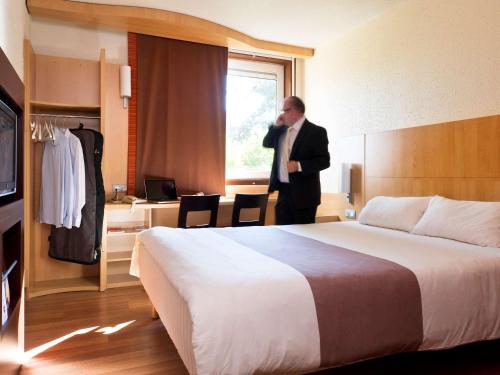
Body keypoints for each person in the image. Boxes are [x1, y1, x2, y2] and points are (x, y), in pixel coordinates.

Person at [263, 96, 330, 225]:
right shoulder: (281, 130)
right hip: (283, 193)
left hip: (304, 196)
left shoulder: (316, 132)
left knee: (304, 238)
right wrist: (276, 126)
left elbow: (324, 161)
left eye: (285, 110)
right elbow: (267, 143)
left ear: (295, 111)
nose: (282, 114)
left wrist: (299, 166)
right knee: (282, 235)